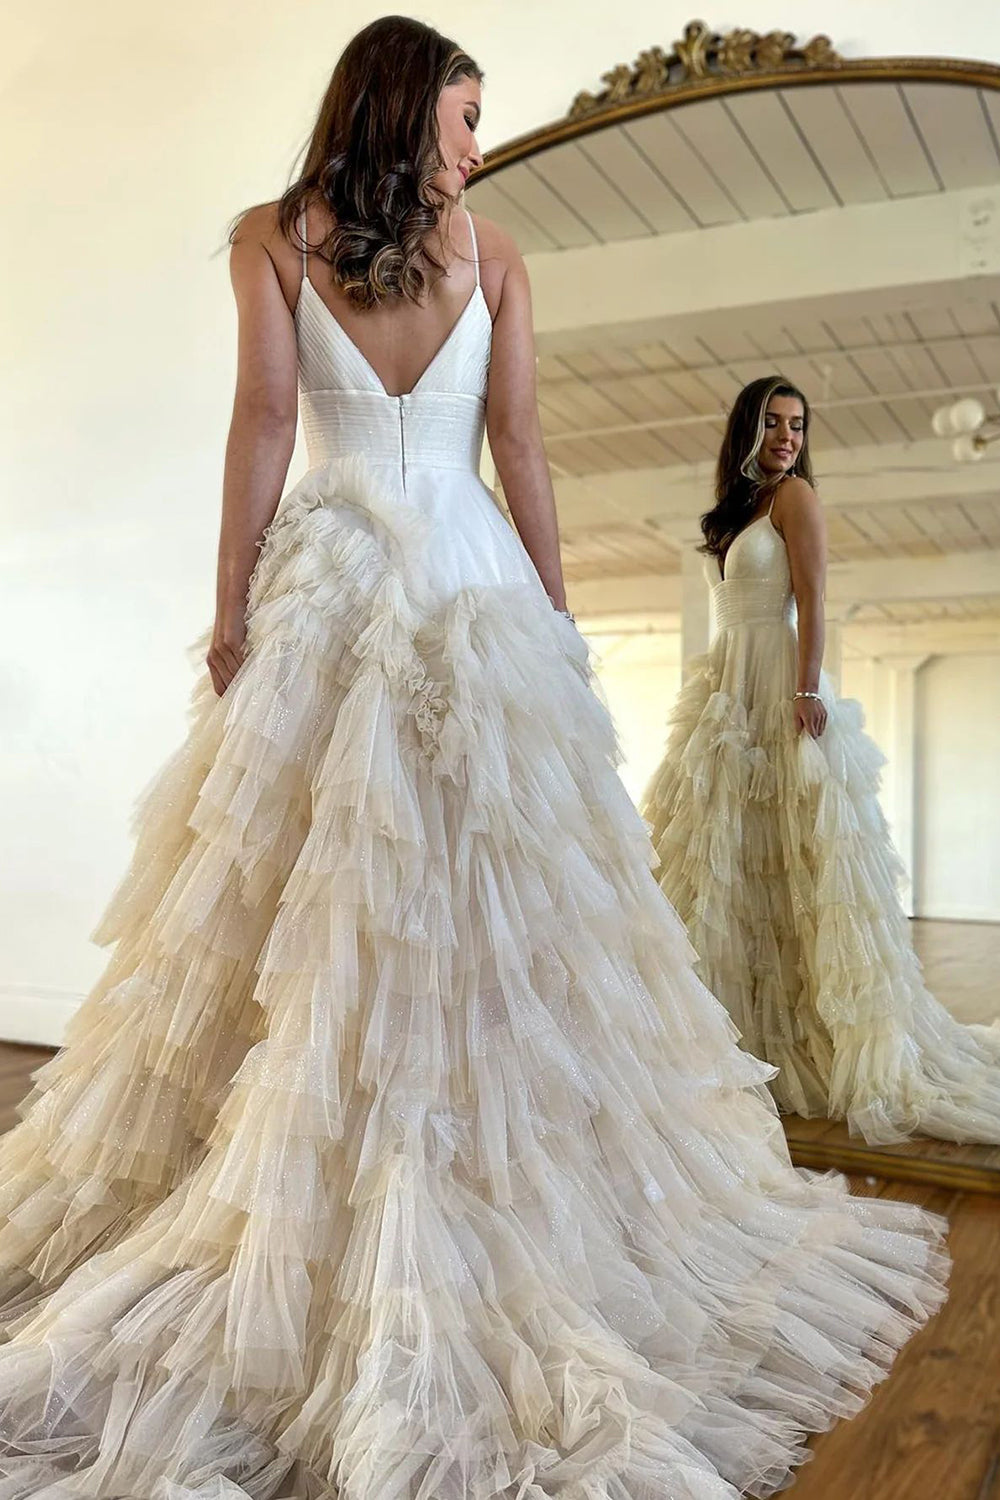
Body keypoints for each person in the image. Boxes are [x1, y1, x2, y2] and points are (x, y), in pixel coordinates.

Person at [0, 32, 948, 1500]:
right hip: (464, 578)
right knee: (448, 891)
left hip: (331, 576)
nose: (478, 150)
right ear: (402, 109)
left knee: (310, 893)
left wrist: (238, 606)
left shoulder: (275, 239)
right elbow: (521, 447)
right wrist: (550, 616)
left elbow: (265, 425)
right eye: (463, 119)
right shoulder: (488, 255)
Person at [642, 373, 1000, 1146]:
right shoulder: (740, 510)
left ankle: (816, 1032)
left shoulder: (796, 499)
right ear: (748, 429)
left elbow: (815, 597)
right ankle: (743, 1042)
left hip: (778, 682)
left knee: (802, 858)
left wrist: (806, 690)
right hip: (729, 683)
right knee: (733, 862)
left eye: (798, 425)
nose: (787, 437)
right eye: (774, 423)